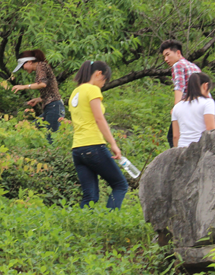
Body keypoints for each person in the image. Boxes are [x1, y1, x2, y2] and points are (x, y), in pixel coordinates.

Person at [68, 60, 128, 209]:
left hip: (77, 148)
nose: (104, 83)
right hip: (93, 145)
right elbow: (99, 118)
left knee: (90, 195)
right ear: (98, 74)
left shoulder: (75, 93)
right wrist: (113, 144)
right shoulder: (92, 90)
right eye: (105, 79)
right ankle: (110, 221)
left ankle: (83, 228)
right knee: (120, 185)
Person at [10, 49, 65, 141]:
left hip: (54, 107)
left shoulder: (41, 66)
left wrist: (24, 86)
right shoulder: (41, 67)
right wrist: (39, 99)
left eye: (23, 66)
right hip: (52, 107)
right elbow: (51, 91)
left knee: (50, 139)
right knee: (31, 128)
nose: (23, 69)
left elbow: (43, 84)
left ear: (30, 62)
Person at [160, 39, 201, 148]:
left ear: (178, 53)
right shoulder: (194, 67)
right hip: (200, 107)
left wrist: (176, 107)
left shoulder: (177, 65)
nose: (166, 59)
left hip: (187, 107)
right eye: (164, 56)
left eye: (168, 55)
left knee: (173, 136)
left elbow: (179, 85)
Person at [171, 72, 215, 147]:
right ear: (206, 86)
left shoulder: (177, 106)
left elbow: (175, 136)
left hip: (182, 149)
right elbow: (211, 129)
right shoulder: (208, 102)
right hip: (201, 148)